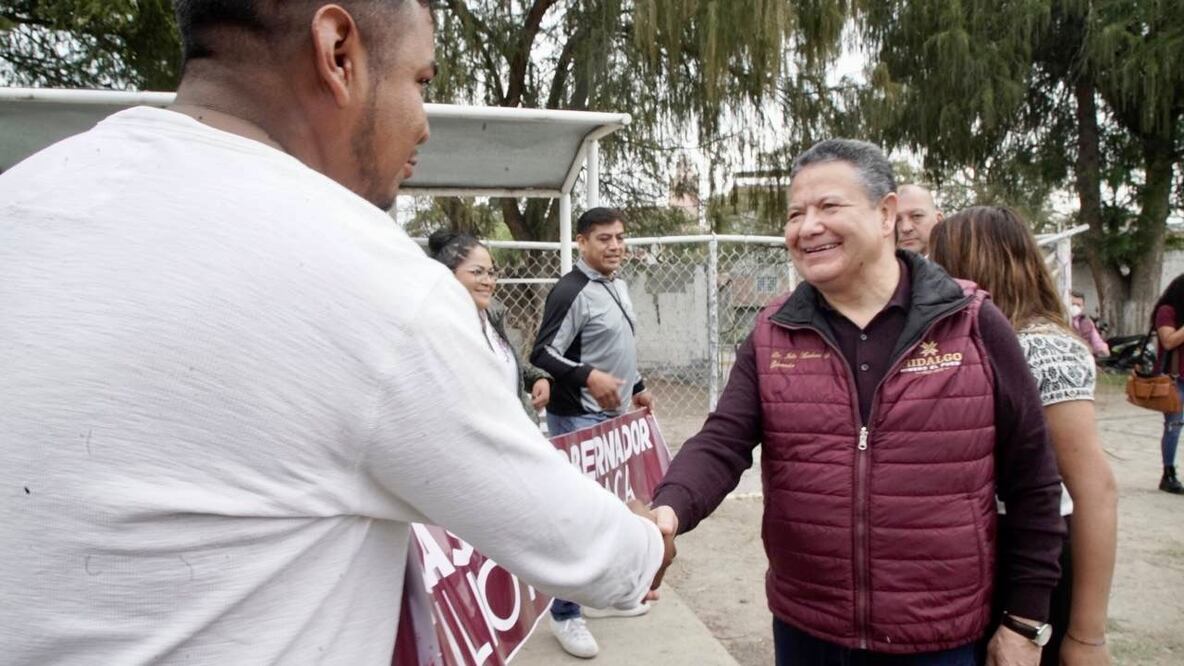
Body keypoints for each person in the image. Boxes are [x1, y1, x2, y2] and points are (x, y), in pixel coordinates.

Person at [0, 2, 675, 663]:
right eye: (419, 82)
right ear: (337, 53)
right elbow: (573, 542)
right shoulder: (370, 276)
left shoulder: (24, 200)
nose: (424, 126)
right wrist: (647, 542)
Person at [651, 139, 1066, 666]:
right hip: (808, 631)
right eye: (795, 213)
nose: (806, 227)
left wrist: (1025, 623)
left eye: (828, 207)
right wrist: (667, 510)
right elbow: (722, 441)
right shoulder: (773, 333)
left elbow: (1034, 482)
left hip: (939, 638)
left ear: (886, 212)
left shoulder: (973, 325)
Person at [931, 207, 1119, 666]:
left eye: (940, 262)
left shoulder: (1040, 346)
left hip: (1031, 553)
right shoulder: (971, 339)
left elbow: (1094, 489)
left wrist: (1086, 635)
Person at [530, 206, 654, 658]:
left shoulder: (617, 283)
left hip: (616, 419)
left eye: (620, 237)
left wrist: (636, 387)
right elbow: (543, 353)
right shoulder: (571, 290)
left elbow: (617, 344)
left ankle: (605, 595)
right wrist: (589, 378)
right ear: (582, 242)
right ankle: (565, 616)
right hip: (579, 420)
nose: (616, 246)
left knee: (616, 512)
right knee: (579, 520)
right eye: (604, 238)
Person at [428, 230, 551, 419]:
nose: (488, 282)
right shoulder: (437, 327)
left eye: (491, 273)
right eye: (478, 272)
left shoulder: (492, 315)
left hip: (514, 432)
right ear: (448, 274)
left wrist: (537, 377)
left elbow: (506, 360)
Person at [1151, 273, 1184, 494]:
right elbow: (1168, 340)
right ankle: (1168, 473)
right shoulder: (1167, 312)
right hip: (1175, 379)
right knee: (1173, 426)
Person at [895, 183, 944, 256]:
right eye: (897, 220)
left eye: (916, 216)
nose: (906, 228)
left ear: (939, 220)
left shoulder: (958, 264)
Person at [1070, 291, 1110, 357]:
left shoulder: (1085, 323)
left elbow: (1096, 340)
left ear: (1083, 307)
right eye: (1072, 304)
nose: (1075, 307)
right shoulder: (1059, 321)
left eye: (1078, 305)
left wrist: (1102, 349)